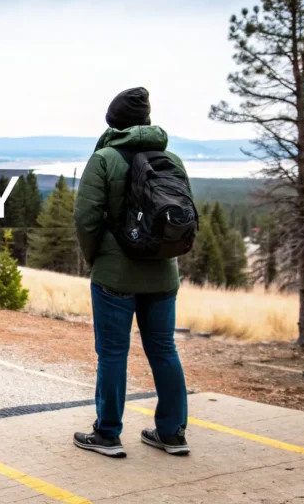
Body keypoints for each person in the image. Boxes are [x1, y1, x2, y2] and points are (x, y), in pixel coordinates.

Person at [71, 87, 190, 458]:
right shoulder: (171, 158)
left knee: (112, 354)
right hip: (163, 275)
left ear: (113, 122)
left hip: (115, 277)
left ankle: (107, 434)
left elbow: (85, 217)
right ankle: (172, 433)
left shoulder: (105, 159)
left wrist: (96, 258)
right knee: (164, 349)